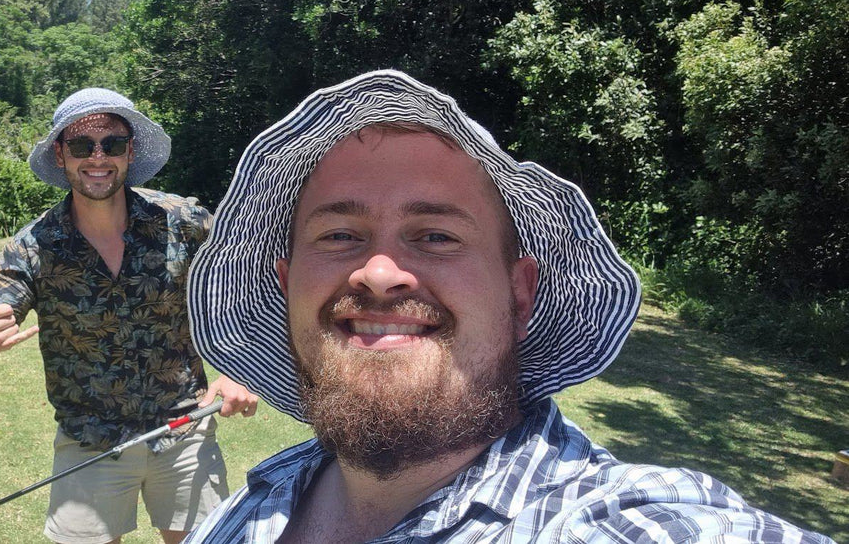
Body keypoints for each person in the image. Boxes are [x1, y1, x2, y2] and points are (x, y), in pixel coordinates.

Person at [181, 71, 831, 543]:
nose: (377, 274)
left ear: (520, 293)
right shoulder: (248, 506)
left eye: (435, 235)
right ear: (286, 284)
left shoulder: (614, 519)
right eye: (339, 235)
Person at [0, 87, 260, 544]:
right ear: (60, 155)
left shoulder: (184, 221)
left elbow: (252, 292)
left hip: (183, 430)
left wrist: (244, 372)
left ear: (129, 151)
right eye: (81, 145)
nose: (97, 157)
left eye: (112, 143)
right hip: (87, 442)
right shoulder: (33, 247)